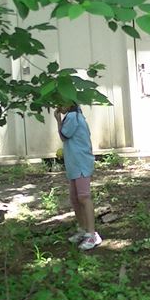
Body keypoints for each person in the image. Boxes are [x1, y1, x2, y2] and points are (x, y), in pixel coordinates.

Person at [53, 104, 102, 250]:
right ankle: (83, 230)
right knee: (75, 199)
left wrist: (58, 120)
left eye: (61, 102)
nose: (58, 106)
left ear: (70, 103)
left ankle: (92, 234)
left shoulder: (73, 117)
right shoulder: (73, 115)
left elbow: (63, 135)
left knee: (83, 197)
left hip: (80, 162)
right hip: (75, 163)